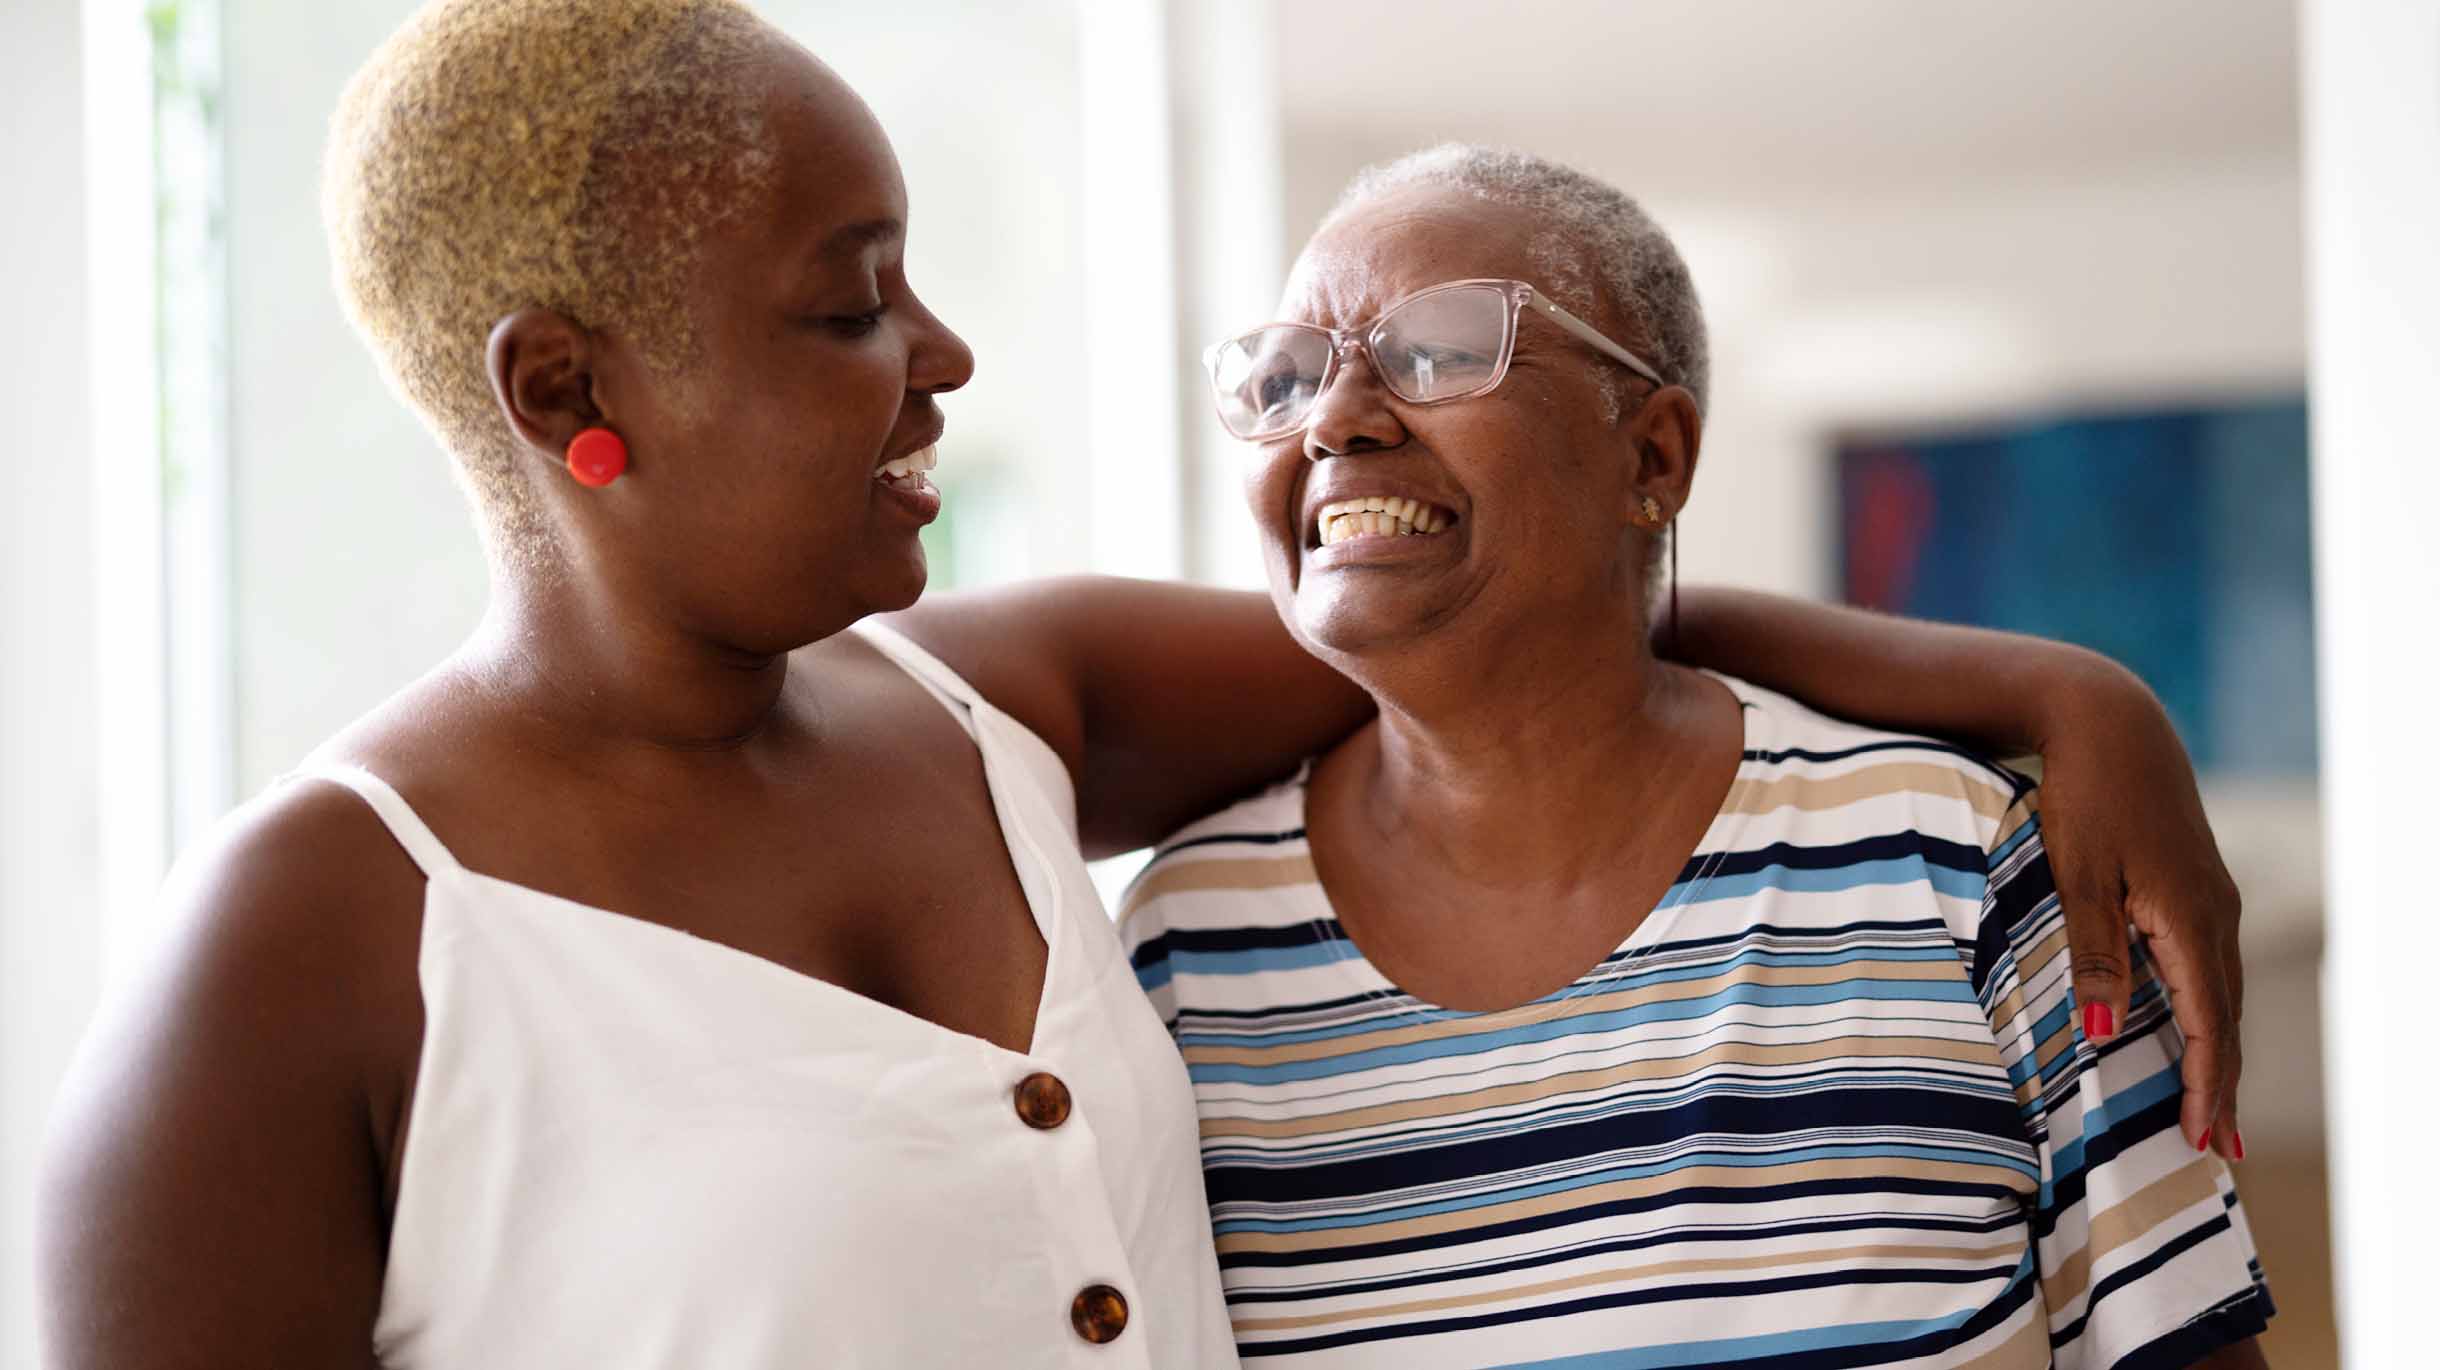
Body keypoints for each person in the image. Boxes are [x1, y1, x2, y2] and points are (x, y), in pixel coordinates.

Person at [36, 4, 2244, 1366]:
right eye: (848, 306)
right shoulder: (295, 960)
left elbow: (1504, 619)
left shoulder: (1010, 704)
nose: (943, 358)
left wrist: (2053, 691)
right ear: (565, 389)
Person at [1122, 145, 2272, 1367]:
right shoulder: (1185, 950)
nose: (1337, 417)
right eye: (1286, 376)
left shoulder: (1957, 869)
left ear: (1652, 458)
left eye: (1444, 350)